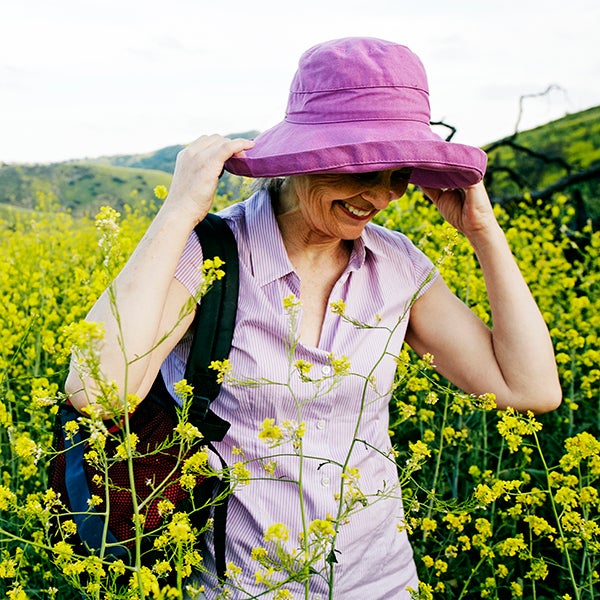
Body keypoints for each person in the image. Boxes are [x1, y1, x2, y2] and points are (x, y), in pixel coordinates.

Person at [65, 37, 562, 598]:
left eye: (400, 174)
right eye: (360, 171)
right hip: (242, 586)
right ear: (309, 157)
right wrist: (180, 210)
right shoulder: (211, 252)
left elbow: (531, 389)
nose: (382, 195)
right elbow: (98, 392)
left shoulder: (398, 265)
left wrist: (483, 234)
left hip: (383, 582)